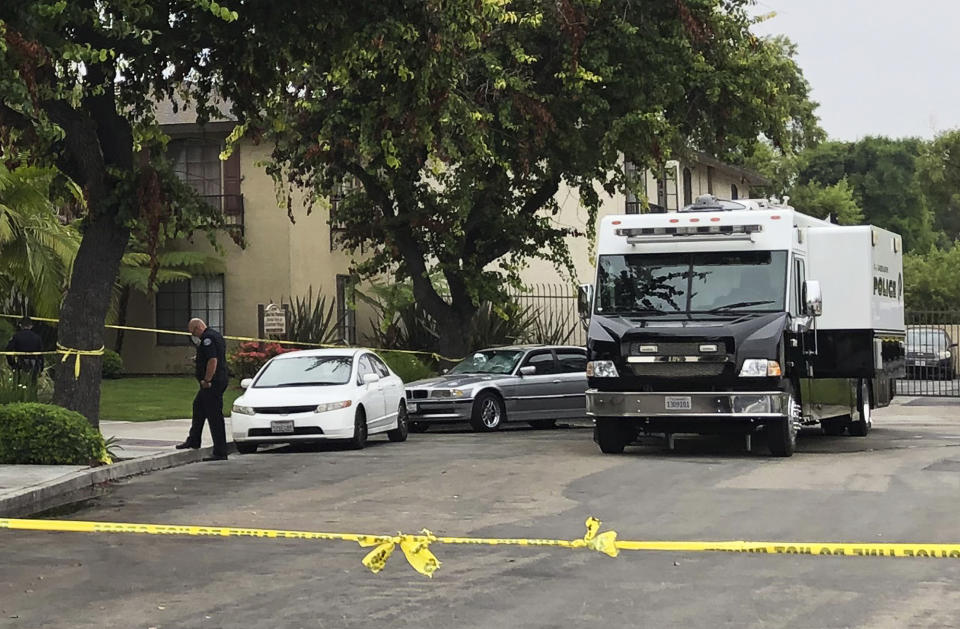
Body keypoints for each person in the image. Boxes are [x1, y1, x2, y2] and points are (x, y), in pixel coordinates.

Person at [176, 318, 230, 460]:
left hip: (213, 383)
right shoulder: (216, 335)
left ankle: (220, 451)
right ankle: (194, 440)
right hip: (219, 380)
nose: (194, 336)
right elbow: (212, 356)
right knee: (198, 406)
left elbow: (213, 360)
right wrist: (199, 358)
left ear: (198, 327)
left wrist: (207, 380)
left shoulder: (207, 339)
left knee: (214, 416)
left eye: (193, 333)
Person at [5, 317, 44, 383]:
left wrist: (12, 363)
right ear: (31, 326)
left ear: (21, 325)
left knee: (18, 385)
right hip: (33, 365)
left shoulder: (16, 336)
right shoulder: (37, 338)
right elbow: (41, 354)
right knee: (32, 386)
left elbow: (8, 350)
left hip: (20, 364)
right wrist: (41, 368)